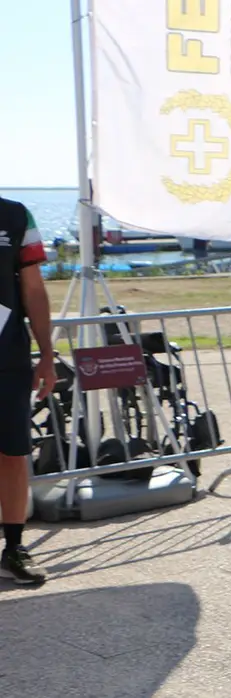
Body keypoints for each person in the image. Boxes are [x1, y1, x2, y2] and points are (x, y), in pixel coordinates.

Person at [0, 195, 54, 585]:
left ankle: (14, 547)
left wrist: (48, 355)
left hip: (9, 359)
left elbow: (33, 290)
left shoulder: (16, 215)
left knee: (11, 453)